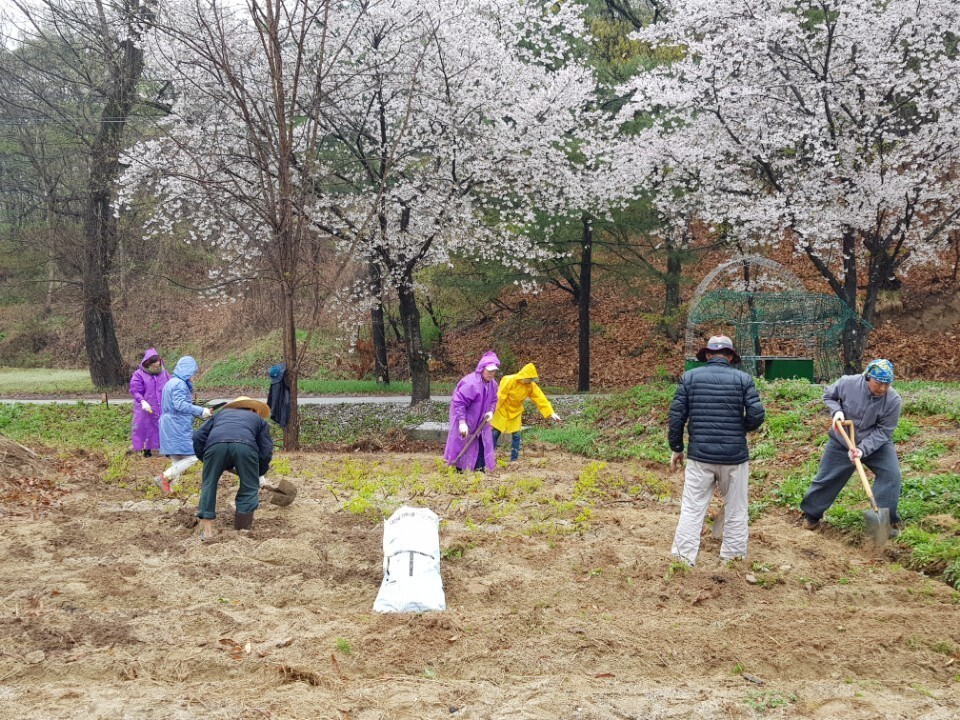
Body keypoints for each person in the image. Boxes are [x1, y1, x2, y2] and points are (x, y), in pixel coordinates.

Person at [668, 335, 766, 566]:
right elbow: (756, 415)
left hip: (700, 456)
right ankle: (731, 560)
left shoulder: (689, 378)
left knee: (692, 509)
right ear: (730, 356)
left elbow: (676, 417)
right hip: (735, 457)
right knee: (736, 509)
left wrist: (677, 447)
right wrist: (739, 428)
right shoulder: (744, 379)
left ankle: (683, 560)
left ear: (708, 355)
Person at [800, 359, 902, 534]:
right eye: (878, 384)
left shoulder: (893, 400)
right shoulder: (848, 383)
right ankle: (812, 516)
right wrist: (837, 411)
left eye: (887, 384)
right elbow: (829, 395)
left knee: (891, 475)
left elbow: (884, 431)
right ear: (867, 378)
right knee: (827, 477)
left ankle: (886, 522)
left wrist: (863, 449)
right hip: (842, 440)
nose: (882, 389)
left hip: (876, 443)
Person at [192, 396, 273, 541]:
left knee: (209, 485)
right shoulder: (259, 420)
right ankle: (241, 532)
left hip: (214, 446)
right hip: (245, 447)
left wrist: (205, 459)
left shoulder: (220, 415)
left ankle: (208, 532)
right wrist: (258, 472)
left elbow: (198, 436)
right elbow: (266, 450)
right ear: (254, 410)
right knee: (249, 487)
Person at [156, 356, 211, 493]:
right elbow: (180, 405)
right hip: (177, 426)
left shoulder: (171, 382)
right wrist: (201, 411)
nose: (193, 376)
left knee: (177, 459)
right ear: (187, 371)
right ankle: (164, 477)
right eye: (192, 372)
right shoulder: (179, 384)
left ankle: (170, 490)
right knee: (193, 456)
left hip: (169, 425)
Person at [490, 362, 560, 462]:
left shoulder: (530, 385)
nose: (530, 381)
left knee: (516, 435)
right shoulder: (509, 380)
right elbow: (500, 396)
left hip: (515, 412)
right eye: (529, 379)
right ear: (524, 376)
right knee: (495, 433)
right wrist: (491, 410)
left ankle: (514, 459)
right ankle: (489, 457)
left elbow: (540, 398)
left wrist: (551, 412)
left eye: (531, 380)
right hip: (502, 409)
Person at [443, 350, 500, 473]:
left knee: (482, 444)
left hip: (481, 422)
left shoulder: (493, 384)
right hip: (467, 419)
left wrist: (491, 411)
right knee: (462, 443)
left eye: (494, 371)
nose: (491, 374)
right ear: (482, 369)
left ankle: (479, 470)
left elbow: (493, 400)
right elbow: (459, 403)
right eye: (489, 371)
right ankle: (459, 470)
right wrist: (462, 422)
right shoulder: (471, 384)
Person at [128, 348, 170, 457]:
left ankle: (165, 450)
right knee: (146, 428)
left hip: (162, 406)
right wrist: (142, 401)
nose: (157, 364)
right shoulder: (139, 374)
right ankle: (146, 450)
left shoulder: (164, 373)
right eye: (154, 362)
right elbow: (135, 390)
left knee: (163, 427)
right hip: (146, 407)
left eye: (158, 361)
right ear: (148, 363)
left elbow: (170, 386)